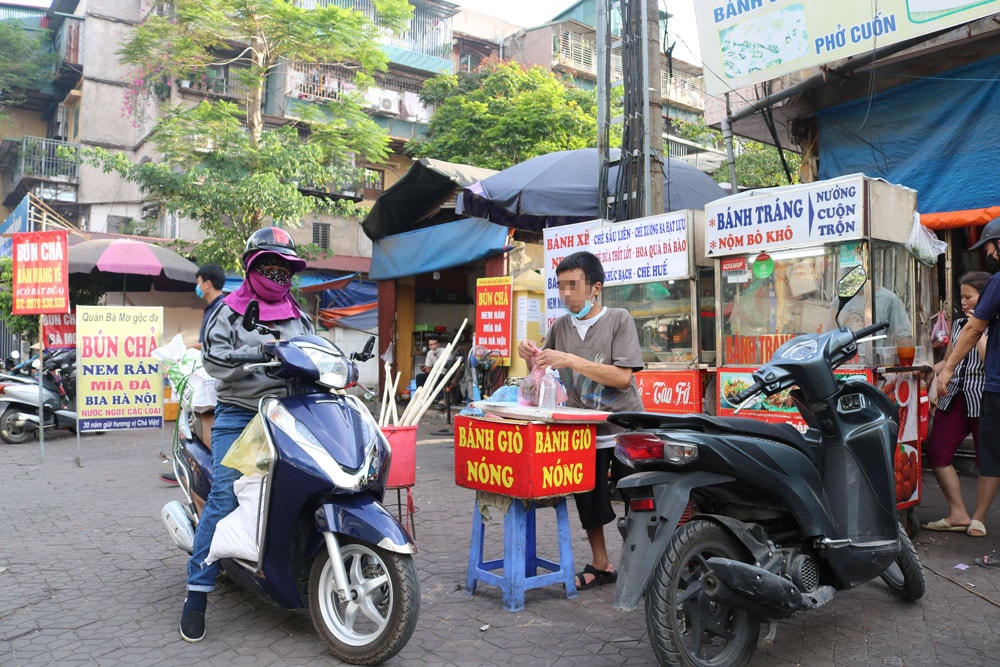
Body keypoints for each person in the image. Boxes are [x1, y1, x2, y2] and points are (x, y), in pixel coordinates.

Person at [179, 227, 313, 642]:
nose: (276, 274)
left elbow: (314, 350)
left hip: (291, 412)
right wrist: (258, 354)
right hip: (242, 414)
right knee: (224, 493)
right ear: (251, 267)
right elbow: (215, 360)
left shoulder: (298, 313)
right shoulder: (227, 310)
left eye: (283, 267)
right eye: (267, 265)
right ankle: (197, 592)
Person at [517, 251, 644, 589]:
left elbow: (622, 378)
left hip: (625, 429)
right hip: (583, 430)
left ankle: (645, 567)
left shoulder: (619, 319)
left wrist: (571, 360)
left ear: (595, 288)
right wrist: (529, 356)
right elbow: (542, 368)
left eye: (573, 286)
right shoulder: (560, 326)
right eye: (561, 287)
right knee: (588, 497)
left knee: (639, 499)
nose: (567, 294)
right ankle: (601, 563)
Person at [937, 216, 1000, 564]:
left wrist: (947, 367)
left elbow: (977, 332)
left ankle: (975, 515)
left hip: (991, 389)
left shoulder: (997, 285)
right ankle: (967, 513)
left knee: (989, 456)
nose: (986, 253)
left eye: (988, 246)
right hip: (980, 390)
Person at [924, 272, 990, 534]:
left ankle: (980, 517)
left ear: (985, 297)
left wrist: (979, 327)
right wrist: (929, 369)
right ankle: (958, 512)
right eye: (961, 296)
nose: (963, 302)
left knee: (987, 458)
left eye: (969, 296)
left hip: (983, 397)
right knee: (938, 449)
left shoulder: (993, 324)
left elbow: (987, 360)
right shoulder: (959, 323)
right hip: (953, 395)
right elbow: (949, 359)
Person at [161, 264, 227, 486]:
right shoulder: (212, 308)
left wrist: (186, 347)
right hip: (204, 373)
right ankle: (186, 465)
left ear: (207, 283)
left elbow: (212, 344)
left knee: (205, 421)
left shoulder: (222, 308)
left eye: (199, 282)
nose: (197, 287)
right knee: (188, 419)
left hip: (213, 378)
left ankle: (204, 470)